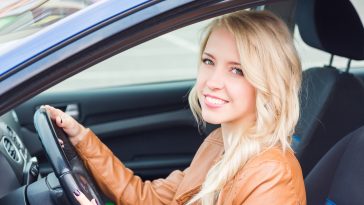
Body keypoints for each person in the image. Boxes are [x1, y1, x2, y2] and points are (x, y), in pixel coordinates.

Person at [46, 10, 306, 205]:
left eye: (237, 70)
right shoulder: (219, 144)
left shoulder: (272, 174)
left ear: (268, 83)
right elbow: (147, 198)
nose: (212, 82)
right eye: (208, 61)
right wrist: (81, 140)